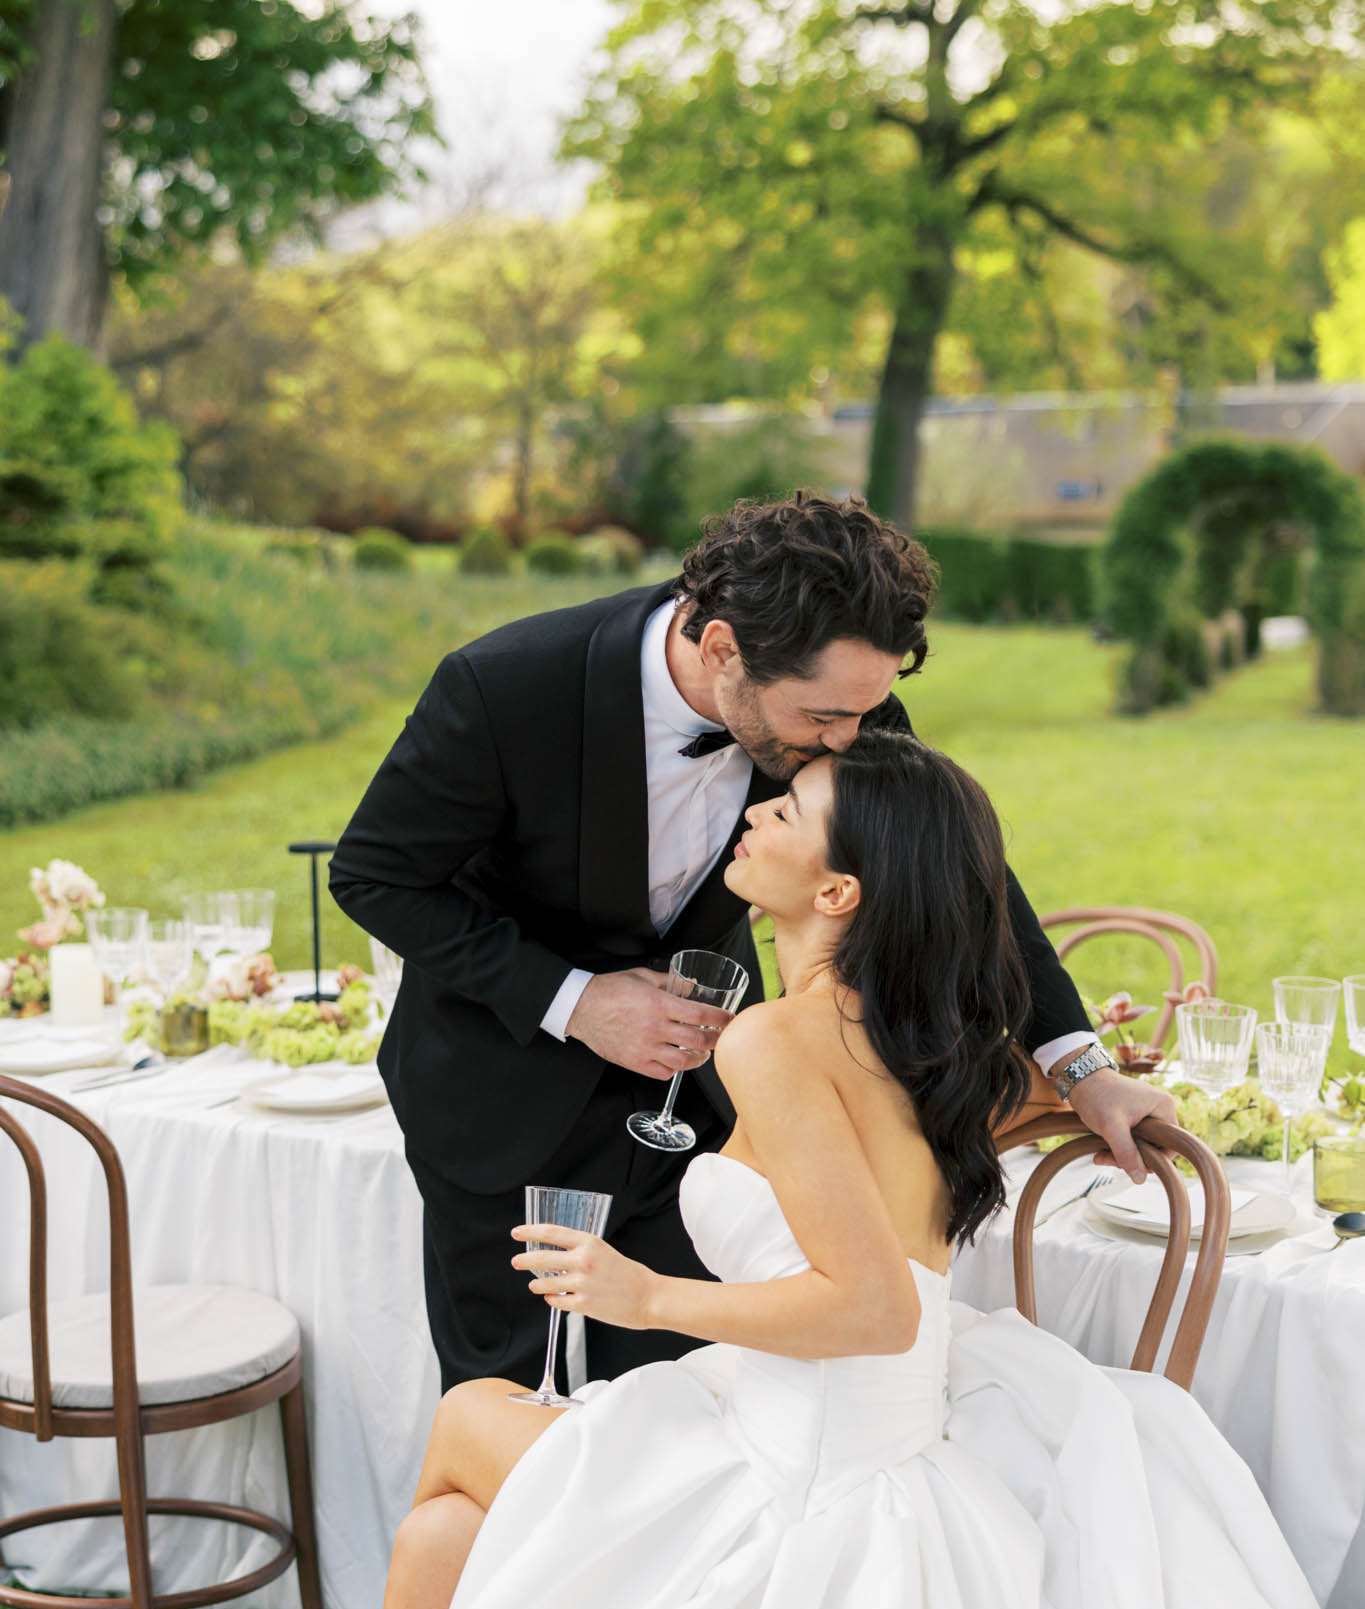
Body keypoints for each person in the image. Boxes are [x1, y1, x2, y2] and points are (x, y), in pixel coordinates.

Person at [89, 733, 1365, 1609]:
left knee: (472, 1420)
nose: (757, 812)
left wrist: (639, 1297)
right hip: (855, 1428)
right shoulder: (924, 1037)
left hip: (801, 1472)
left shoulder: (773, 1043)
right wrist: (1064, 1098)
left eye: (793, 808)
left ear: (839, 894)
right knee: (440, 1533)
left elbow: (868, 1308)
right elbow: (896, 1212)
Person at [328, 492, 1172, 1393]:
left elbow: (964, 880)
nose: (850, 740)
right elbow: (374, 876)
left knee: (685, 1396)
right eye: (824, 721)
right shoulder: (505, 686)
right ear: (723, 647)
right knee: (502, 1398)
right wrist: (576, 1000)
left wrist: (1080, 1067)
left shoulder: (841, 697)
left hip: (706, 1106)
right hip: (497, 1094)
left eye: (865, 713)